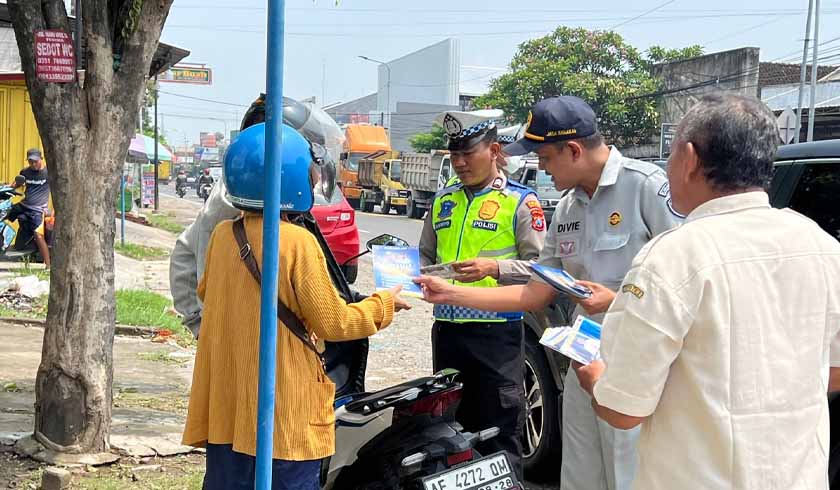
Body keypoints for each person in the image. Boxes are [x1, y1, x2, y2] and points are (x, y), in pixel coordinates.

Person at [570, 93, 840, 490]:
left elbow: (622, 408)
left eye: (672, 151)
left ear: (691, 158)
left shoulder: (674, 256)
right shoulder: (822, 246)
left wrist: (592, 374)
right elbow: (833, 375)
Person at [416, 96, 681, 490]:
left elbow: (686, 279)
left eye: (544, 156)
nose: (539, 167)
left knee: (630, 475)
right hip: (582, 359)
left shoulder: (645, 189)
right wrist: (450, 294)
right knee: (579, 474)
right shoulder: (568, 208)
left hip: (634, 363)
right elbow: (535, 294)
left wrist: (617, 300)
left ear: (573, 150)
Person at [182, 121, 410, 490]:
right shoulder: (296, 242)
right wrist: (384, 304)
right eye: (308, 172)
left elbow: (210, 294)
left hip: (229, 409)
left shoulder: (224, 237)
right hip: (283, 415)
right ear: (289, 178)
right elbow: (334, 323)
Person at [418, 109, 547, 478]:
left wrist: (496, 269)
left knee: (499, 436)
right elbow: (426, 255)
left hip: (496, 339)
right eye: (454, 155)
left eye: (468, 153)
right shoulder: (442, 202)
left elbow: (542, 269)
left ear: (493, 150)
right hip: (447, 333)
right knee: (448, 433)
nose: (459, 163)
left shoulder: (521, 203)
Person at [170, 95, 345, 336]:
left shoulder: (249, 196)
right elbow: (334, 322)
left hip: (232, 335)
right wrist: (200, 324)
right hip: (245, 336)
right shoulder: (234, 204)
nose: (313, 175)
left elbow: (183, 254)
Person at [9, 148, 51, 268]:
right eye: (30, 161)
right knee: (4, 212)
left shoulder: (48, 173)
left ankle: (48, 266)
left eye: (35, 161)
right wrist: (7, 188)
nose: (33, 164)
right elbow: (15, 185)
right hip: (24, 205)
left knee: (38, 235)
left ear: (41, 159)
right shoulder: (25, 172)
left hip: (38, 210)